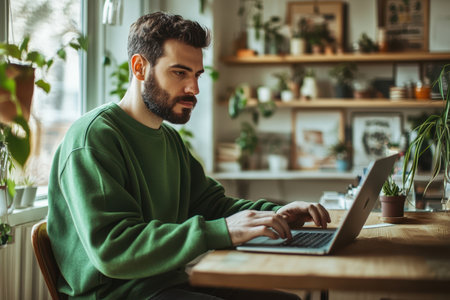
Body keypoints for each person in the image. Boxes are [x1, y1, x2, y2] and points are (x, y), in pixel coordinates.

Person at [47, 11, 331, 300]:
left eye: (196, 75)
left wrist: (273, 215)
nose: (193, 89)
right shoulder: (93, 138)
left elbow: (210, 205)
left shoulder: (169, 139)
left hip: (166, 282)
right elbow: (113, 250)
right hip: (117, 293)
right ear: (139, 68)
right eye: (179, 73)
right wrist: (221, 231)